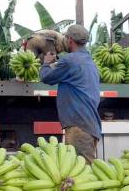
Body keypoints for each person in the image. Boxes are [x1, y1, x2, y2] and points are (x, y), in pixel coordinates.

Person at [40, 24, 101, 164]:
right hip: (88, 126)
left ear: (69, 40)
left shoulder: (71, 60)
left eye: (65, 38)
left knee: (82, 175)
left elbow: (46, 77)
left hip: (79, 127)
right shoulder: (89, 62)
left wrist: (46, 63)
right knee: (78, 170)